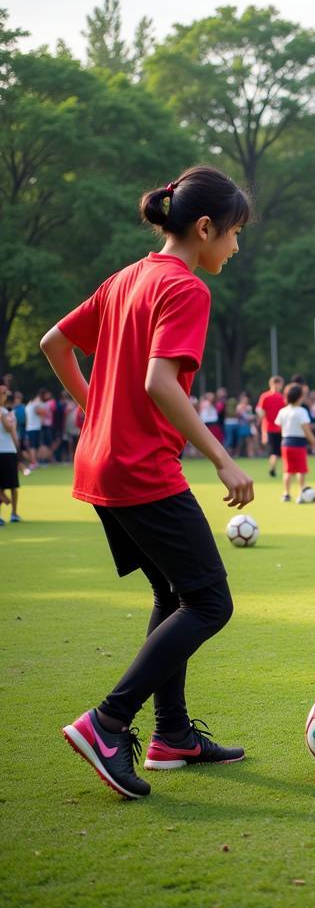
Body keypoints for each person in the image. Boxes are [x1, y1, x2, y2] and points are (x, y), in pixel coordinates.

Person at [41, 165, 253, 799]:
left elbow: (55, 342)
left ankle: (173, 735)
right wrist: (222, 457)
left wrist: (93, 408)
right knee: (211, 601)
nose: (236, 248)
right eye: (235, 234)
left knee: (172, 593)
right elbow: (159, 383)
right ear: (206, 227)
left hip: (101, 461)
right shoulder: (185, 287)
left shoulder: (127, 276)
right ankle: (108, 721)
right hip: (140, 468)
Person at [277, 383, 315, 502]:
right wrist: (314, 441)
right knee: (301, 470)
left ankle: (286, 494)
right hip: (298, 444)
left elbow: (280, 427)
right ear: (300, 397)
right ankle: (301, 494)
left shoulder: (283, 411)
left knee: (288, 470)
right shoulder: (302, 411)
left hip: (285, 443)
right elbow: (306, 429)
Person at [256, 376, 286, 477]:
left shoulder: (264, 396)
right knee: (279, 450)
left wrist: (259, 422)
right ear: (279, 384)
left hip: (268, 427)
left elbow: (260, 412)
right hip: (280, 428)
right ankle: (280, 469)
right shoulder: (282, 398)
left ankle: (273, 468)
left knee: (273, 451)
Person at [0, 383, 20, 524]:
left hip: (9, 451)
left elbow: (9, 428)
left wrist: (1, 416)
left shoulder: (8, 412)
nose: (3, 395)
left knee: (13, 485)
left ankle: (14, 513)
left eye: (4, 393)